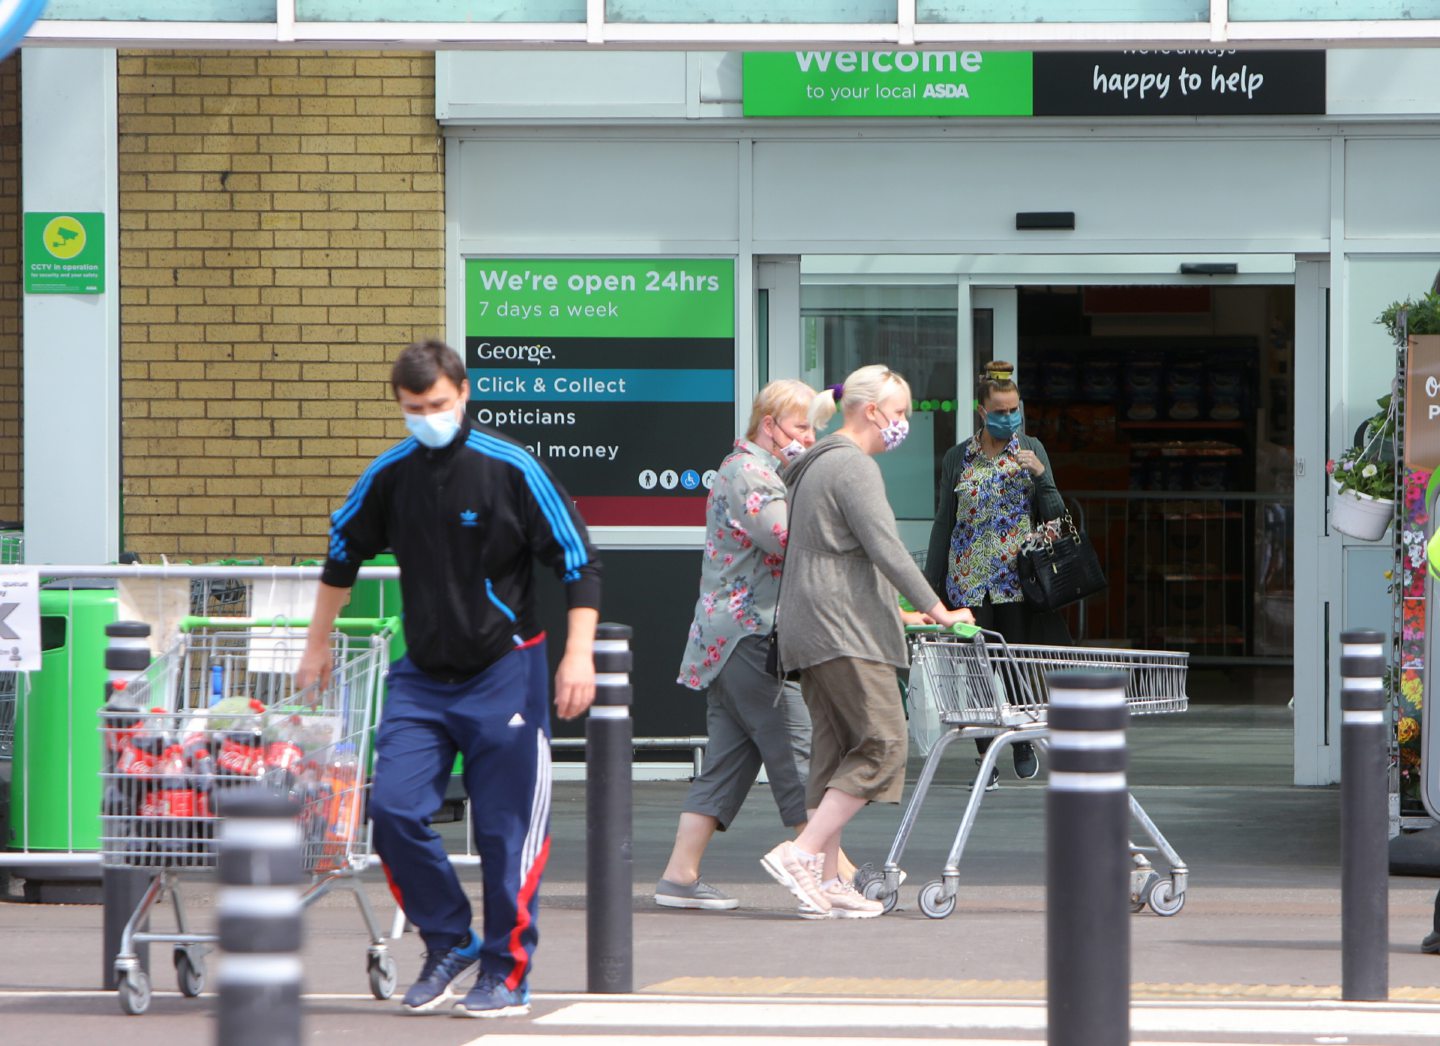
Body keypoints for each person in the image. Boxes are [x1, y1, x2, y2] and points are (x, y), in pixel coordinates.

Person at [294, 338, 601, 1019]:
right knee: (392, 810)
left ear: (463, 393)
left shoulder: (510, 467)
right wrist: (316, 646)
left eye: (437, 404)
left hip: (507, 670)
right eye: (413, 407)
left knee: (505, 832)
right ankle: (449, 939)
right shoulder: (391, 473)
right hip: (424, 675)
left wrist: (578, 654)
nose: (427, 416)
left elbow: (579, 563)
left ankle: (506, 974)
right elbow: (340, 556)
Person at [760, 365, 973, 919]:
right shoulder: (852, 466)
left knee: (833, 755)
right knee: (884, 744)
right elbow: (887, 548)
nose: (901, 424)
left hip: (811, 628)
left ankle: (829, 880)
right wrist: (938, 609)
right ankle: (803, 854)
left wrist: (898, 611)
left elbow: (840, 553)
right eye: (898, 413)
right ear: (869, 410)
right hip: (844, 630)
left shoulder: (813, 465)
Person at [658, 379, 858, 910]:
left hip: (727, 640)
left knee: (727, 761)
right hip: (751, 636)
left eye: (814, 428)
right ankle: (831, 875)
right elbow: (785, 535)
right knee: (799, 753)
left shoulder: (756, 469)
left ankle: (679, 876)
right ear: (769, 424)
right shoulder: (750, 471)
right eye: (799, 427)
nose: (808, 438)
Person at [923, 359, 1069, 788]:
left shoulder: (1032, 450)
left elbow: (1057, 517)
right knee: (975, 671)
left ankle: (1021, 740)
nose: (1010, 418)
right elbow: (944, 524)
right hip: (967, 582)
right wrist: (931, 588)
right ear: (982, 411)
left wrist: (1041, 479)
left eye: (1015, 409)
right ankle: (986, 753)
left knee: (1014, 665)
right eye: (1001, 411)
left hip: (1015, 583)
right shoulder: (958, 458)